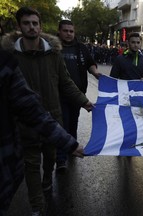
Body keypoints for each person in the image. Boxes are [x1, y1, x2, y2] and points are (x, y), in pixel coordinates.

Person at [1, 7, 93, 216]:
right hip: (25, 123)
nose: (31, 27)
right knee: (31, 164)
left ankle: (47, 181)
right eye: (26, 23)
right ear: (19, 26)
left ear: (41, 27)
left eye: (35, 23)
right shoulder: (10, 57)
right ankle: (37, 206)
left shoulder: (54, 54)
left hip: (53, 119)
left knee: (50, 158)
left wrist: (85, 102)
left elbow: (66, 82)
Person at [57, 19, 101, 170]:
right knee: (62, 125)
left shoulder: (81, 48)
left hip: (78, 95)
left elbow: (90, 63)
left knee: (73, 124)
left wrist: (95, 72)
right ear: (59, 31)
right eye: (65, 31)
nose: (69, 34)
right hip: (58, 95)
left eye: (71, 31)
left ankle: (71, 149)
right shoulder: (54, 47)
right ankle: (61, 159)